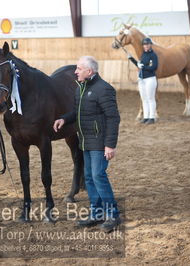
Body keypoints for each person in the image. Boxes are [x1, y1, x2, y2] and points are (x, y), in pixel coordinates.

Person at [53, 56, 121, 233]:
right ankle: (96, 213)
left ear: (89, 71)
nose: (75, 71)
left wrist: (110, 145)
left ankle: (112, 215)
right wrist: (64, 119)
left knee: (99, 176)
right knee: (89, 177)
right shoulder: (81, 89)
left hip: (99, 143)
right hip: (85, 141)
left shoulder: (104, 89)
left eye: (78, 68)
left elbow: (113, 118)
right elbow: (77, 112)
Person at [128, 37, 158, 124]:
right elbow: (139, 64)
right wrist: (131, 58)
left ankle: (152, 117)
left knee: (150, 98)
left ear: (150, 45)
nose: (146, 46)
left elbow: (154, 67)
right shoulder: (143, 55)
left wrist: (143, 67)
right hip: (141, 79)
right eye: (144, 44)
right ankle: (146, 117)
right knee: (144, 99)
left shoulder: (153, 55)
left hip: (150, 79)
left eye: (147, 44)